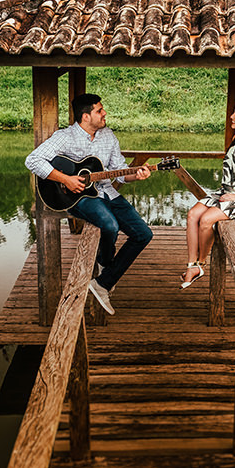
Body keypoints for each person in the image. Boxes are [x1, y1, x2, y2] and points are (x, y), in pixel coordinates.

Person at [25, 93, 153, 315]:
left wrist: (137, 175)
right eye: (99, 111)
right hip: (76, 196)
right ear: (86, 116)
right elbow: (32, 160)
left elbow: (120, 172)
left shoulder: (108, 136)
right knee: (110, 225)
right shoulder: (65, 137)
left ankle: (103, 281)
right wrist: (66, 179)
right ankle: (106, 264)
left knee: (144, 234)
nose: (104, 114)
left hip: (107, 192)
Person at [181, 98, 235, 288]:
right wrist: (229, 194)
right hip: (225, 192)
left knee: (206, 220)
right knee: (193, 214)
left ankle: (200, 264)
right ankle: (190, 265)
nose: (231, 117)